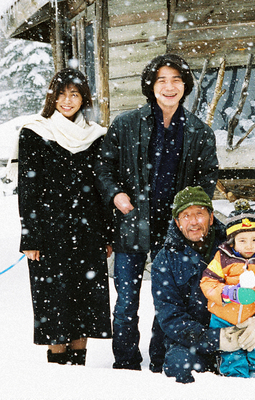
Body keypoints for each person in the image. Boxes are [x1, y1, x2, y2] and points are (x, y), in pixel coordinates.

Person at [95, 54, 219, 372]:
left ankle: (160, 359)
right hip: (131, 225)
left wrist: (190, 214)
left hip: (173, 232)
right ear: (150, 86)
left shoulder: (199, 131)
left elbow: (207, 180)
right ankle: (126, 362)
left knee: (168, 299)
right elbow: (104, 167)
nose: (169, 86)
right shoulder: (126, 124)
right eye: (161, 80)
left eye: (176, 80)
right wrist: (116, 194)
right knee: (126, 301)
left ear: (185, 86)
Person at [152, 186, 255, 383]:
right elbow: (170, 316)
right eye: (186, 216)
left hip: (246, 333)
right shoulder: (166, 259)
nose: (194, 221)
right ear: (177, 222)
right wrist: (216, 339)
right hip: (200, 341)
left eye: (199, 214)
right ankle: (215, 381)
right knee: (179, 363)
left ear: (211, 217)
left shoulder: (240, 241)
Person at [17, 68, 112, 366]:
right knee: (54, 301)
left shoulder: (95, 135)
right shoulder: (35, 132)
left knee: (84, 299)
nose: (67, 100)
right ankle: (57, 368)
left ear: (84, 98)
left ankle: (78, 365)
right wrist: (30, 237)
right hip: (49, 232)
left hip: (88, 230)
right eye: (61, 94)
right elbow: (28, 189)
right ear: (52, 97)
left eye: (74, 94)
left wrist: (108, 234)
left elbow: (103, 187)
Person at [200, 199, 255, 379]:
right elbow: (208, 282)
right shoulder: (222, 257)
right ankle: (235, 383)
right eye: (242, 240)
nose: (249, 245)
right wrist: (227, 293)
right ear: (232, 242)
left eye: (254, 239)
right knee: (232, 357)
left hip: (252, 319)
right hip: (224, 319)